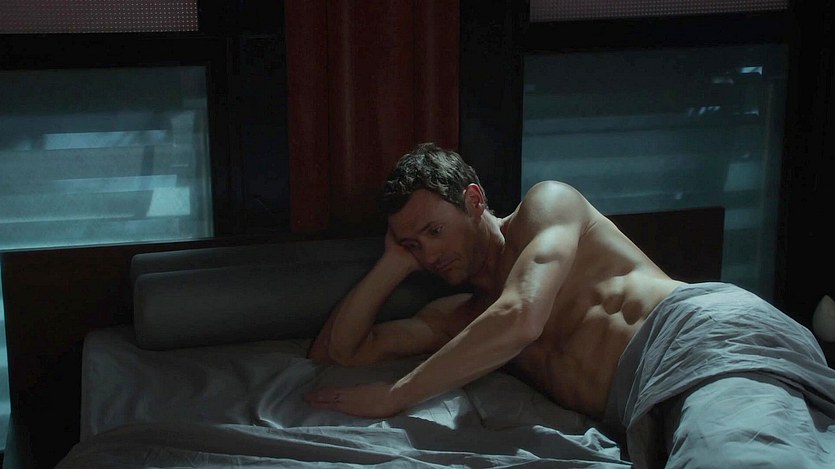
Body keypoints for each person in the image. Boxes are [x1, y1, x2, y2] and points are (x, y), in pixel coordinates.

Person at [305, 142, 835, 468]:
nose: (429, 254)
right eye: (414, 244)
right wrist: (393, 262)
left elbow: (522, 316)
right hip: (647, 403)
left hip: (695, 338)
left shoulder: (547, 205)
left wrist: (396, 395)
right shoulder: (462, 318)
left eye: (434, 231)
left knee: (743, 457)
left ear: (474, 200)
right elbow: (340, 351)